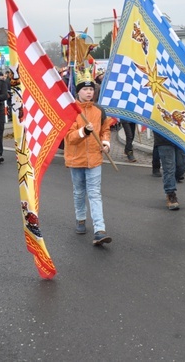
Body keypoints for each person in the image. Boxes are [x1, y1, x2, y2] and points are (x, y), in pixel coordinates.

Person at [64, 76, 113, 245]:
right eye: (85, 90)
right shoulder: (70, 111)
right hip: (75, 159)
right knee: (79, 191)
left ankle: (100, 230)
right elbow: (69, 138)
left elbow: (105, 130)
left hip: (94, 158)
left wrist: (106, 143)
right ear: (78, 92)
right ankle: (80, 219)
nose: (89, 92)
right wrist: (84, 131)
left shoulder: (99, 110)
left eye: (91, 89)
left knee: (94, 193)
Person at [153, 131, 185, 210]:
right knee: (169, 168)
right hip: (163, 138)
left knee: (182, 166)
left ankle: (169, 180)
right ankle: (170, 194)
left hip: (180, 136)